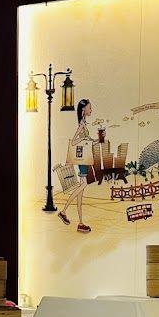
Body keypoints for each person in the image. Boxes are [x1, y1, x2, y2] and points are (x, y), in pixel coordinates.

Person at [58, 98, 93, 233]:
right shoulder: (81, 124)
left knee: (81, 194)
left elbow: (86, 142)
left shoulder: (83, 123)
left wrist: (93, 141)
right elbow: (73, 142)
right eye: (90, 107)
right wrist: (84, 138)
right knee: (83, 185)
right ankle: (63, 211)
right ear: (83, 109)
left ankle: (80, 223)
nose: (91, 110)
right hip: (82, 161)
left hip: (84, 160)